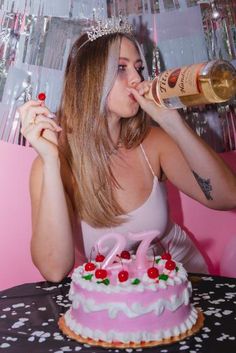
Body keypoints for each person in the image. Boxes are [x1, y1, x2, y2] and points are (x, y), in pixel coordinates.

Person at [19, 21, 236, 282]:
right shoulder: (54, 161)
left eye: (138, 68)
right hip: (108, 302)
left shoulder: (152, 143)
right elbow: (54, 270)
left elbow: (228, 197)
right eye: (121, 68)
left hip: (180, 282)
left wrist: (172, 122)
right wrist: (51, 161)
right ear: (89, 77)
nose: (137, 78)